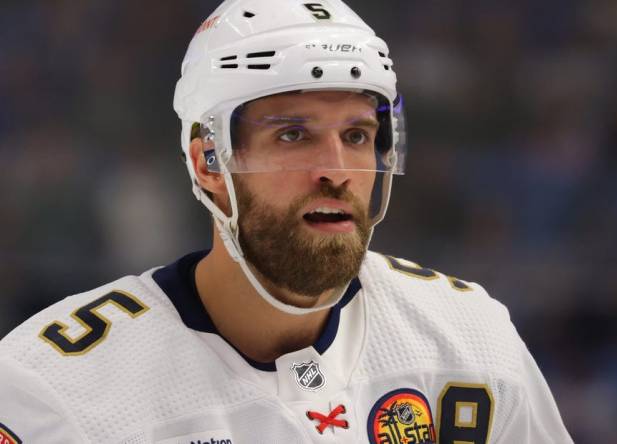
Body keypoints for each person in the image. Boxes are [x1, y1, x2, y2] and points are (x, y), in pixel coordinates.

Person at [0, 0, 572, 442]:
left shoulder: (470, 339)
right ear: (209, 162)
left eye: (356, 136)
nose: (337, 170)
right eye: (293, 135)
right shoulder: (54, 389)